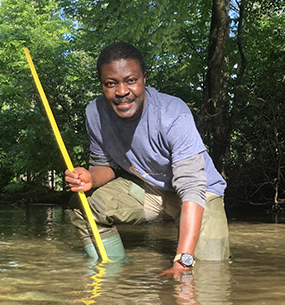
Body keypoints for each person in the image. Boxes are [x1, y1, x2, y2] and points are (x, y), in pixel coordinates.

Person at [65, 42, 230, 275]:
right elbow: (105, 165)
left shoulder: (172, 112)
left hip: (201, 192)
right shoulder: (95, 113)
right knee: (84, 206)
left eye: (130, 80)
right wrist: (90, 177)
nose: (122, 91)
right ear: (102, 86)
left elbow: (192, 187)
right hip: (152, 189)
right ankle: (113, 276)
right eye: (111, 84)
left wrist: (182, 261)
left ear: (144, 79)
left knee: (209, 275)